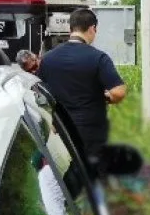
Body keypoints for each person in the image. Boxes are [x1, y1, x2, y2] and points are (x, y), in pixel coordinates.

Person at [37, 8, 127, 160]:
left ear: (70, 28)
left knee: (65, 172)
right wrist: (106, 97)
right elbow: (119, 92)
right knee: (91, 173)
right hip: (91, 134)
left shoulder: (48, 58)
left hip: (61, 130)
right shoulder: (98, 57)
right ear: (93, 28)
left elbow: (40, 93)